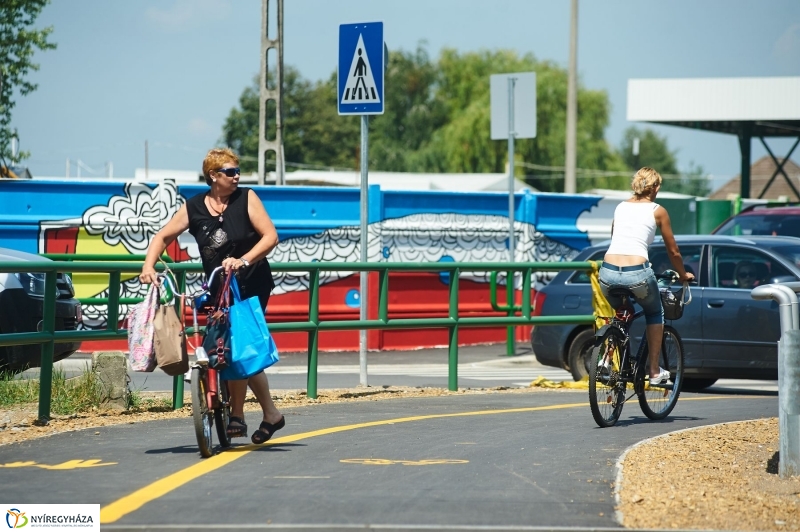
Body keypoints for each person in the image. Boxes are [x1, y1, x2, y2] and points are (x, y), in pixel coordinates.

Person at [139, 147, 285, 444]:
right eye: (230, 172)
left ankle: (238, 415)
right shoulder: (194, 207)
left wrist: (243, 260)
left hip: (251, 283)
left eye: (237, 171)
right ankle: (271, 414)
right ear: (213, 176)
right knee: (231, 349)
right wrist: (148, 265)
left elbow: (270, 237)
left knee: (237, 347)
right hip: (218, 287)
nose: (237, 176)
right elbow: (163, 236)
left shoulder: (247, 198)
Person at [599, 167, 695, 385]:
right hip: (637, 274)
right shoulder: (658, 211)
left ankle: (606, 359)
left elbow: (616, 239)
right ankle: (653, 371)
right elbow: (673, 251)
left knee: (623, 311)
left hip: (607, 272)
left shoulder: (620, 207)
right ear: (656, 187)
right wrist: (683, 275)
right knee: (654, 312)